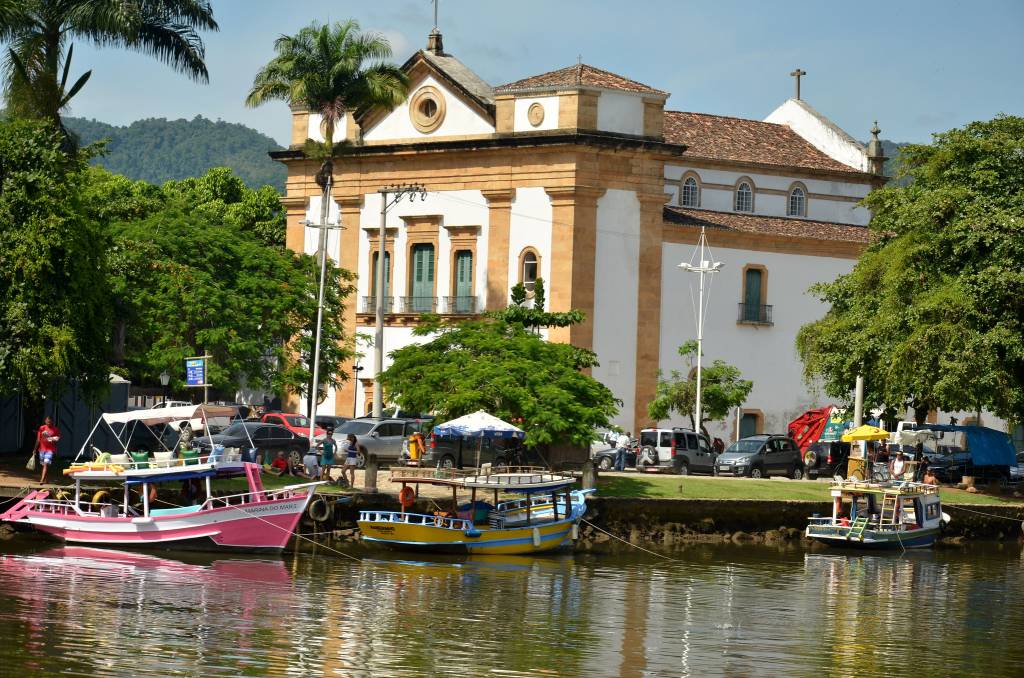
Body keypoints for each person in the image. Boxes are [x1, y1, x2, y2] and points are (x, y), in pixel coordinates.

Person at [32, 416, 60, 484]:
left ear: (52, 422)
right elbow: (38, 439)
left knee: (46, 464)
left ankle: (42, 480)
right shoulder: (42, 428)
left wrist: (52, 439)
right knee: (44, 465)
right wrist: (35, 449)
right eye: (47, 421)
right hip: (42, 449)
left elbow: (57, 439)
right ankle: (46, 479)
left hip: (50, 450)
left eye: (50, 422)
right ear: (45, 421)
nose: (48, 423)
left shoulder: (55, 429)